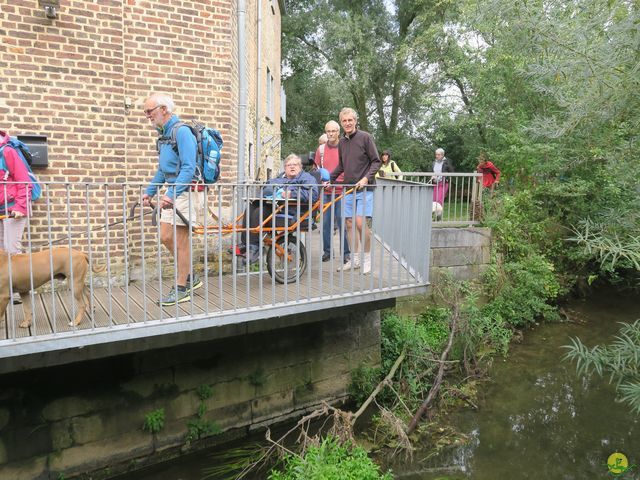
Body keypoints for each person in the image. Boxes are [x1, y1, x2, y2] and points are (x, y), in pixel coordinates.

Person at [141, 94, 204, 306]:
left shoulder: (182, 132)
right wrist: (150, 191)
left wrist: (171, 194)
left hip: (185, 191)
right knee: (166, 236)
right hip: (174, 190)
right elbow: (163, 170)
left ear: (164, 109)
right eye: (146, 112)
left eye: (150, 111)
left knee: (180, 240)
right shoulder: (164, 136)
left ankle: (181, 289)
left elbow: (188, 167)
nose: (147, 115)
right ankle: (189, 275)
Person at [330, 108, 381, 274]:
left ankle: (367, 259)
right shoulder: (342, 143)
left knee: (360, 223)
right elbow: (342, 165)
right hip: (348, 188)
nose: (347, 123)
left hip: (365, 188)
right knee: (349, 224)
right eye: (344, 121)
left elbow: (376, 161)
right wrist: (329, 179)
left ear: (355, 121)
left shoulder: (365, 137)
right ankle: (355, 259)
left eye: (350, 120)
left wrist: (366, 178)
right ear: (341, 123)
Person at [242, 154, 318, 263]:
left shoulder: (306, 178)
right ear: (285, 168)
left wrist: (292, 194)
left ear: (300, 167)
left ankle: (254, 248)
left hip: (292, 210)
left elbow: (313, 194)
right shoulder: (280, 178)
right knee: (251, 206)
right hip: (276, 206)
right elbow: (266, 188)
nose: (292, 167)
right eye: (289, 165)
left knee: (259, 211)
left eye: (295, 165)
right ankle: (245, 244)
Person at [0, 130, 33, 304]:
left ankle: (22, 294)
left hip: (13, 208)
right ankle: (6, 293)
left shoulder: (7, 152)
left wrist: (20, 206)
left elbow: (23, 180)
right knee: (1, 254)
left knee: (12, 251)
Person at [315, 121, 350, 263]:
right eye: (328, 131)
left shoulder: (345, 146)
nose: (330, 133)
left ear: (338, 132)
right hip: (326, 191)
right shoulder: (321, 149)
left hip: (343, 191)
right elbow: (316, 168)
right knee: (326, 224)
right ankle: (328, 252)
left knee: (343, 224)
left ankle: (346, 254)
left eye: (333, 131)